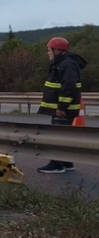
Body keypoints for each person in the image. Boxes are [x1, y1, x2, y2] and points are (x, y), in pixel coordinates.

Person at [37, 37, 87, 174]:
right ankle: (66, 162)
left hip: (64, 110)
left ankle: (56, 164)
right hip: (62, 109)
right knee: (62, 135)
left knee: (57, 136)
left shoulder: (67, 64)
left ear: (57, 50)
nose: (48, 53)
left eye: (49, 50)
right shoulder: (62, 63)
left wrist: (61, 107)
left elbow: (68, 87)